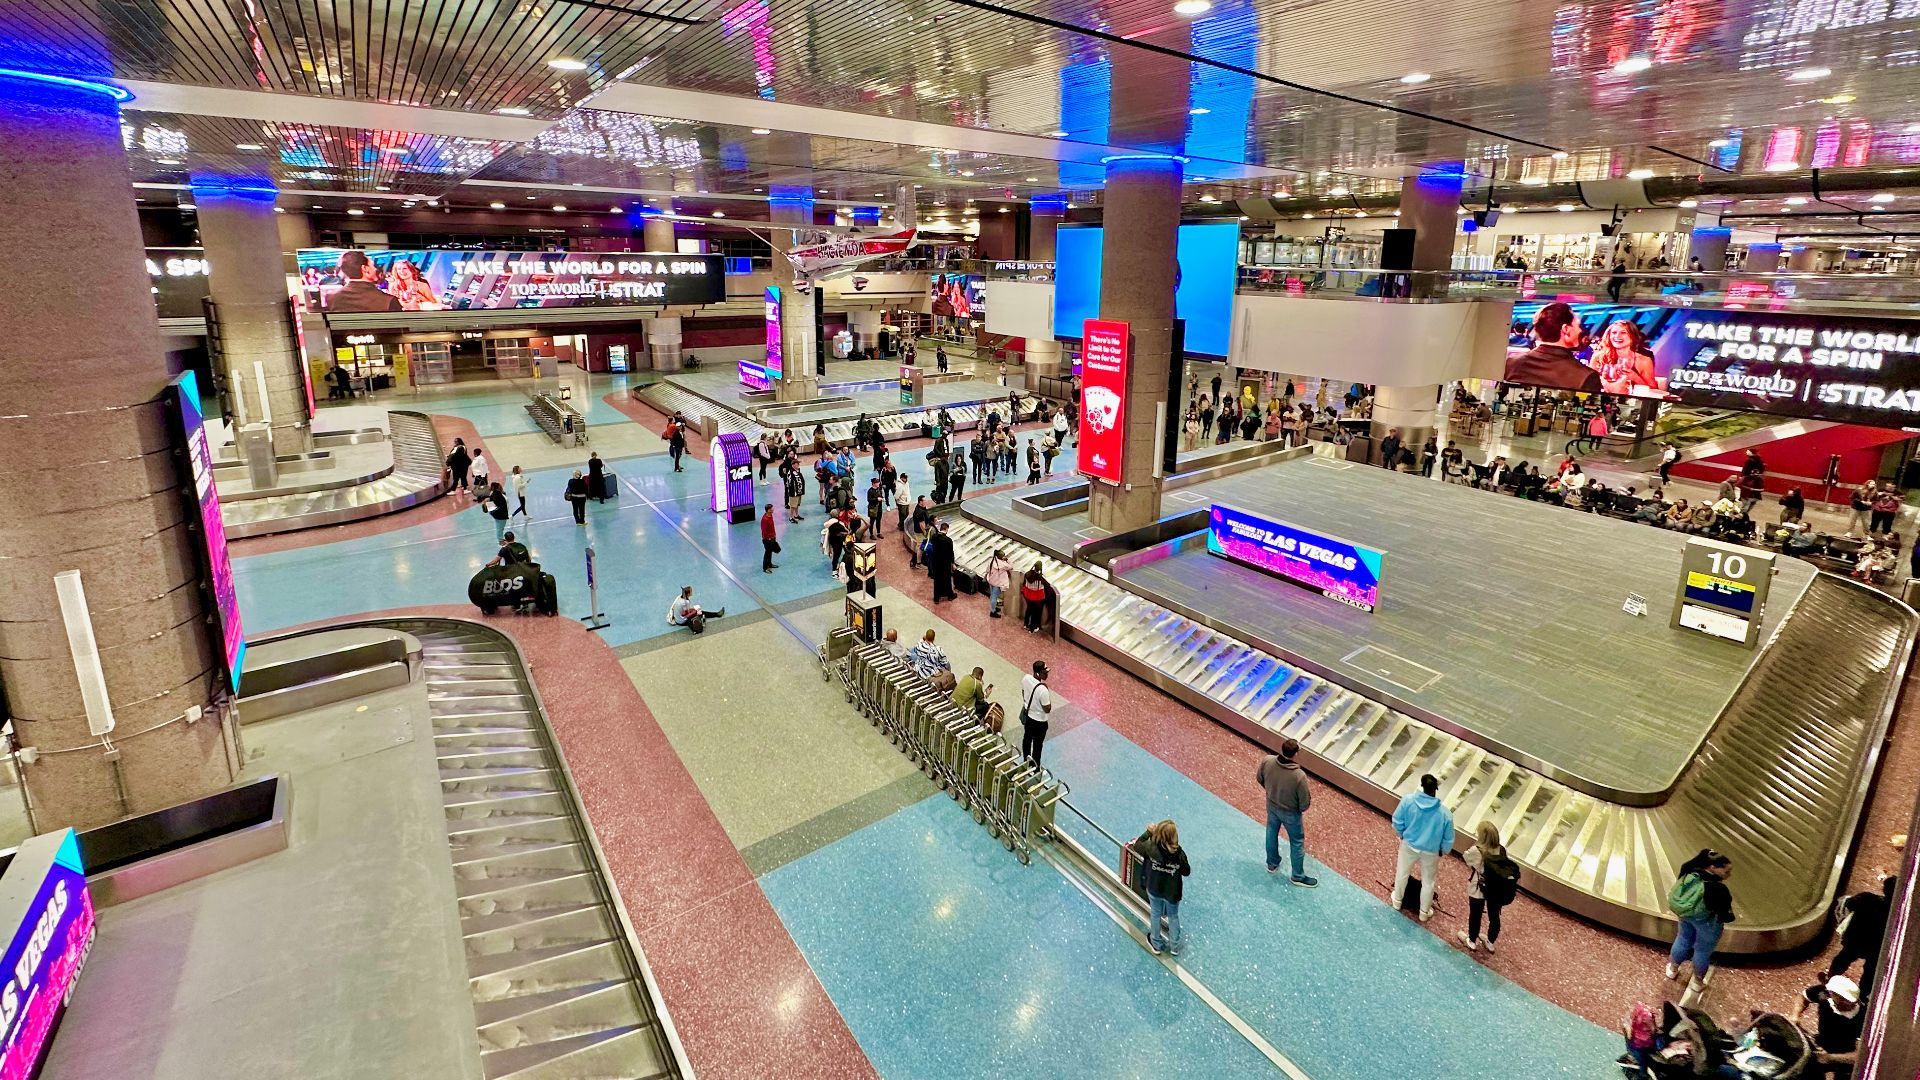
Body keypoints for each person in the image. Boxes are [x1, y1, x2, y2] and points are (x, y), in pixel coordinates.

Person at [1665, 848, 1736, 995]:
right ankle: (1697, 982)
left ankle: (1672, 969)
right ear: (1712, 868)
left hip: (1686, 915)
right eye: (1726, 871)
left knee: (1683, 940)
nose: (1729, 875)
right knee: (1702, 951)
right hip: (1707, 923)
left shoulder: (1689, 871)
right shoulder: (1717, 889)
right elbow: (1726, 915)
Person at [1390, 773, 1455, 923]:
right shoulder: (1445, 814)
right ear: (1435, 789)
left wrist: (1402, 834)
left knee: (1402, 873)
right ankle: (1424, 912)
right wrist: (1443, 850)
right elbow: (1448, 839)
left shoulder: (1408, 801)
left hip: (1409, 844)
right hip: (1431, 851)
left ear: (1422, 785)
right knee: (1428, 881)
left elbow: (1397, 820)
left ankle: (1397, 901)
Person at [1822, 874, 1895, 998]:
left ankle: (1830, 979)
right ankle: (1862, 996)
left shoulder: (1867, 898)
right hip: (1876, 947)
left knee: (1842, 959)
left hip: (1855, 940)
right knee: (1870, 972)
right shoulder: (1896, 914)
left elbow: (1849, 904)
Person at [1506, 301, 1602, 393]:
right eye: (1578, 325)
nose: (1580, 330)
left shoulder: (1511, 363)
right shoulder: (1587, 377)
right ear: (1566, 329)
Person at [1257, 738, 1317, 887]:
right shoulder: (1299, 776)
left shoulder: (1268, 761)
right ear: (1295, 754)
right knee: (1296, 842)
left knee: (1271, 831)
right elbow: (1304, 803)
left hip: (1271, 804)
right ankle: (1297, 875)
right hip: (1291, 813)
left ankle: (1272, 863)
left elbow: (1259, 778)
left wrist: (1271, 793)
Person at [1458, 822, 1519, 954]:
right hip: (1496, 889)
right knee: (1494, 916)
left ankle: (1472, 940)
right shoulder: (1501, 849)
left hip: (1479, 887)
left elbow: (1466, 858)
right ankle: (1490, 942)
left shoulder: (1476, 850)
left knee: (1476, 914)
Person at [1135, 819, 1191, 956]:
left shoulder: (1151, 847)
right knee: (1173, 916)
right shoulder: (1179, 855)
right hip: (1172, 892)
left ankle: (1156, 943)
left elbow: (1137, 846)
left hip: (1154, 888)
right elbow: (1186, 871)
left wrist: (1148, 832)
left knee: (1155, 914)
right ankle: (1174, 946)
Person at [1797, 975, 1865, 1078]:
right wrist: (1795, 1015)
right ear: (1833, 994)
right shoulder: (1824, 994)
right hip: (1822, 1043)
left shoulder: (1863, 1017)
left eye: (1850, 1000)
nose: (1848, 1003)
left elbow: (1859, 1056)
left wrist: (1829, 1058)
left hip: (1844, 1057)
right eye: (1842, 999)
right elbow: (1803, 997)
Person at [1590, 320, 1660, 396]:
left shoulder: (1644, 360)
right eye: (1614, 333)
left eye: (1623, 333)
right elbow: (1588, 384)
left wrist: (1635, 377)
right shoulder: (1598, 357)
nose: (1617, 336)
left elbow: (1654, 390)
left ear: (1632, 337)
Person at [324, 250, 403, 313]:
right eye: (372, 265)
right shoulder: (388, 301)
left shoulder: (331, 297)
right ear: (365, 269)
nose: (375, 269)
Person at [1018, 660, 1053, 765]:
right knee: (1038, 745)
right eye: (1045, 672)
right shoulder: (1043, 690)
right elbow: (1047, 709)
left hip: (1029, 717)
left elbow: (1023, 692)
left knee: (1027, 739)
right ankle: (1035, 766)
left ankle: (1026, 761)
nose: (1047, 674)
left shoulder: (1026, 679)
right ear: (1038, 673)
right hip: (1040, 722)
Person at [927, 521, 956, 602]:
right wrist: (952, 563)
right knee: (947, 579)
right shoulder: (948, 540)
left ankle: (936, 597)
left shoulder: (934, 537)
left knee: (937, 580)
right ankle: (950, 595)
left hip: (936, 562)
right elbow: (951, 553)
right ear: (946, 529)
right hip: (945, 563)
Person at [984, 548, 1014, 618]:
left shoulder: (992, 561)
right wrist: (1007, 560)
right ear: (1000, 557)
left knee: (993, 596)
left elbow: (987, 570)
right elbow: (1011, 567)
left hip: (991, 580)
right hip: (997, 583)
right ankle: (993, 611)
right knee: (994, 597)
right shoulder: (1003, 564)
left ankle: (994, 608)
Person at [1020, 565, 1048, 633]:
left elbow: (1024, 583)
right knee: (1035, 613)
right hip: (1037, 597)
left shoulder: (1028, 573)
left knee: (1029, 610)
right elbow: (1046, 585)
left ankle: (1026, 624)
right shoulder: (1040, 577)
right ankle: (1032, 628)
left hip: (1028, 595)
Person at [760, 503, 779, 573]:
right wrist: (768, 538)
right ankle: (765, 568)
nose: (772, 510)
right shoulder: (765, 519)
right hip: (767, 539)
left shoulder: (770, 516)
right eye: (771, 509)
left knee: (770, 552)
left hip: (772, 537)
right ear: (768, 510)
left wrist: (774, 535)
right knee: (767, 553)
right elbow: (764, 531)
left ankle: (770, 564)